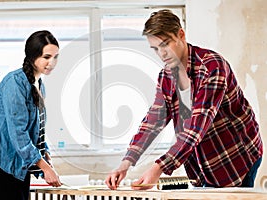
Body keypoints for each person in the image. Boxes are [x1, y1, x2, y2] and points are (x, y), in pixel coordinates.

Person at [105, 9, 263, 190]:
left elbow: (196, 128)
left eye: (165, 44)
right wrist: (126, 163)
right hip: (201, 165)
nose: (162, 54)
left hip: (236, 157)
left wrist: (159, 167)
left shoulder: (212, 68)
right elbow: (153, 122)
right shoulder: (166, 76)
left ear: (181, 34)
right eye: (155, 48)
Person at [0, 30, 62, 200]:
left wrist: (45, 156)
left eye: (55, 57)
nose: (52, 63)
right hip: (0, 164)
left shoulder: (39, 85)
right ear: (32, 56)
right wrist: (45, 168)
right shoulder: (14, 82)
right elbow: (18, 132)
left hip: (19, 166)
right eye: (46, 57)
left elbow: (35, 130)